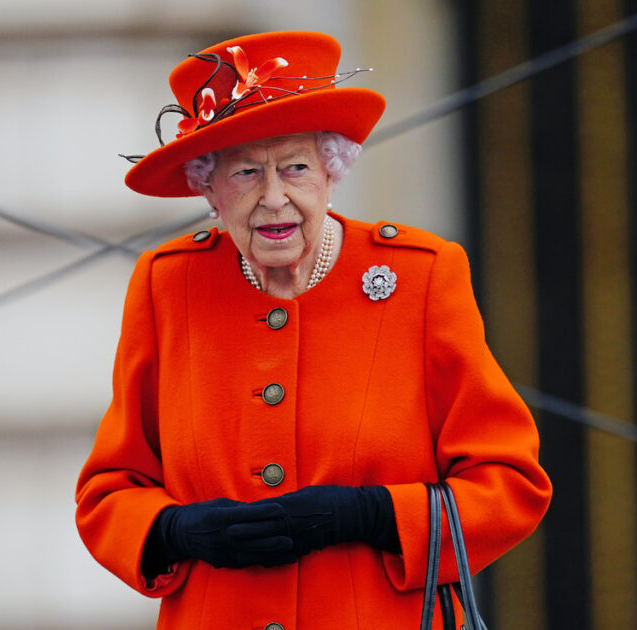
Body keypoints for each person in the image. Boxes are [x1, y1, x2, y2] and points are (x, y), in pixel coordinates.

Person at [75, 30, 552, 629]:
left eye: (295, 167)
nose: (274, 198)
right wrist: (176, 530)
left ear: (331, 171)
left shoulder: (421, 276)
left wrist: (372, 515)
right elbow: (106, 495)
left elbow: (510, 484)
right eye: (245, 172)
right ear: (209, 189)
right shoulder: (169, 285)